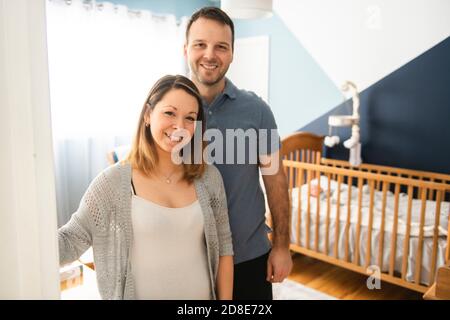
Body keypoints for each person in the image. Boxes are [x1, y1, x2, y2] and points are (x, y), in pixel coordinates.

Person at [58, 75, 234, 300]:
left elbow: (224, 246)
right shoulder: (112, 183)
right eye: (169, 113)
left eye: (190, 118)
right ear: (148, 115)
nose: (179, 126)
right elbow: (71, 240)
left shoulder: (209, 177)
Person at [184, 7, 293, 300]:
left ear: (232, 53)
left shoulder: (257, 111)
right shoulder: (169, 109)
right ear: (185, 49)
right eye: (200, 44)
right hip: (184, 261)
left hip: (249, 257)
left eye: (221, 46)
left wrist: (282, 246)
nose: (210, 54)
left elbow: (276, 182)